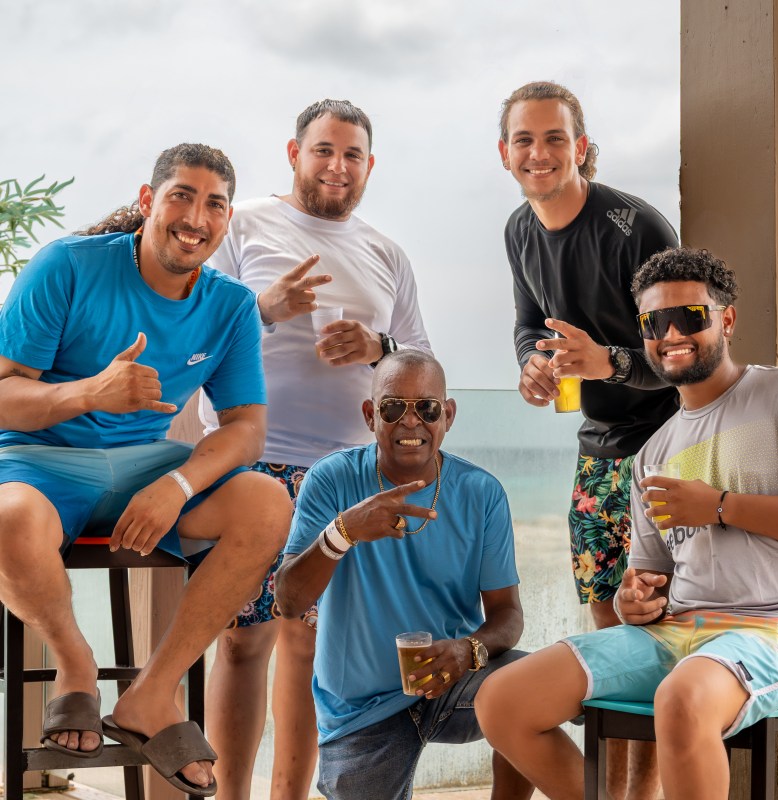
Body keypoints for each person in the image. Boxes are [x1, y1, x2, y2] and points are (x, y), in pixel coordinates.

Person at [0, 144, 292, 796]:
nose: (196, 216)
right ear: (147, 201)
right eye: (181, 196)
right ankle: (76, 668)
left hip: (146, 467)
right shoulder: (65, 267)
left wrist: (179, 482)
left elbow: (247, 427)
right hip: (37, 461)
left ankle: (150, 695)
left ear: (225, 223)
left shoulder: (231, 305)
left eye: (215, 204)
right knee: (6, 520)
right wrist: (86, 394)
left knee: (268, 503)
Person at [476, 247, 778, 800]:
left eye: (690, 316)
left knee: (682, 699)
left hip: (777, 628)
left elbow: (716, 510)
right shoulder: (653, 452)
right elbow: (650, 575)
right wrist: (635, 600)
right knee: (501, 701)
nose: (672, 333)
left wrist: (721, 505)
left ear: (727, 319)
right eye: (655, 321)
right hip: (677, 632)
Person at [200, 99, 431, 798]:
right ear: (294, 153)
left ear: (369, 166)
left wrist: (378, 348)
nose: (337, 166)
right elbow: (192, 331)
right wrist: (264, 308)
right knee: (242, 643)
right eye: (324, 150)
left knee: (309, 651)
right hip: (251, 470)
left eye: (352, 154)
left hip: (346, 478)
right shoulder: (242, 227)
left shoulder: (387, 253)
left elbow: (420, 363)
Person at [497, 80, 680, 798]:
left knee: (658, 627)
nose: (539, 153)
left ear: (580, 145)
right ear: (504, 152)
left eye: (553, 138)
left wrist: (611, 362)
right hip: (595, 451)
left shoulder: (636, 229)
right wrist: (530, 369)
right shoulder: (518, 230)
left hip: (664, 448)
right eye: (524, 139)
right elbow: (525, 326)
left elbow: (681, 351)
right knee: (608, 628)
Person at [273, 350, 534, 800]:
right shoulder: (331, 481)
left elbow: (507, 615)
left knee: (535, 686)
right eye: (393, 408)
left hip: (451, 681)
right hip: (361, 707)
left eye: (427, 408)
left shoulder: (481, 493)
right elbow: (289, 601)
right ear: (371, 415)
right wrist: (343, 533)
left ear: (447, 415)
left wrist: (467, 650)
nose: (410, 422)